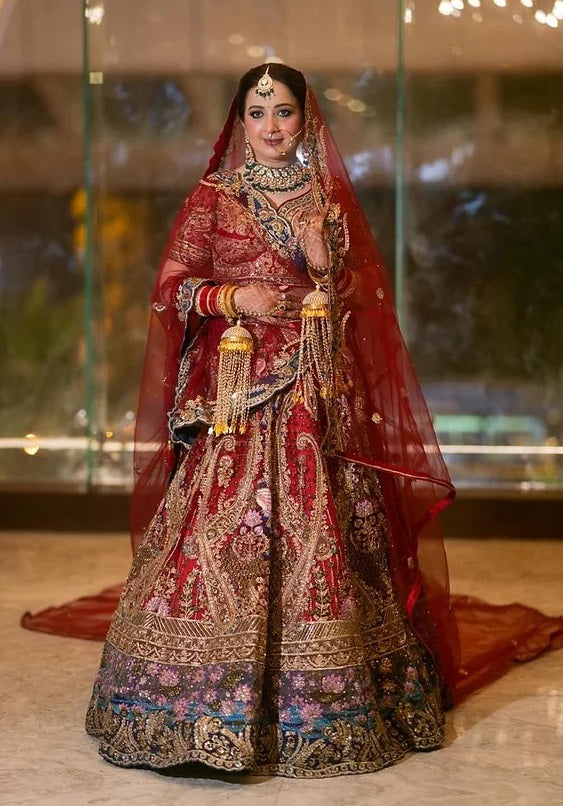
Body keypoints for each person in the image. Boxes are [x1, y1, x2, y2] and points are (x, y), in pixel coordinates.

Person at [22, 63, 562, 777]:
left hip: (315, 389)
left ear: (306, 121)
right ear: (240, 122)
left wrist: (325, 268)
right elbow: (172, 288)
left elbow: (363, 292)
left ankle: (329, 699)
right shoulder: (215, 198)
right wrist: (233, 299)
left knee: (331, 529)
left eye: (283, 112)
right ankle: (189, 697)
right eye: (257, 112)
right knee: (220, 531)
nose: (271, 126)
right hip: (240, 393)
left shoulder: (325, 199)